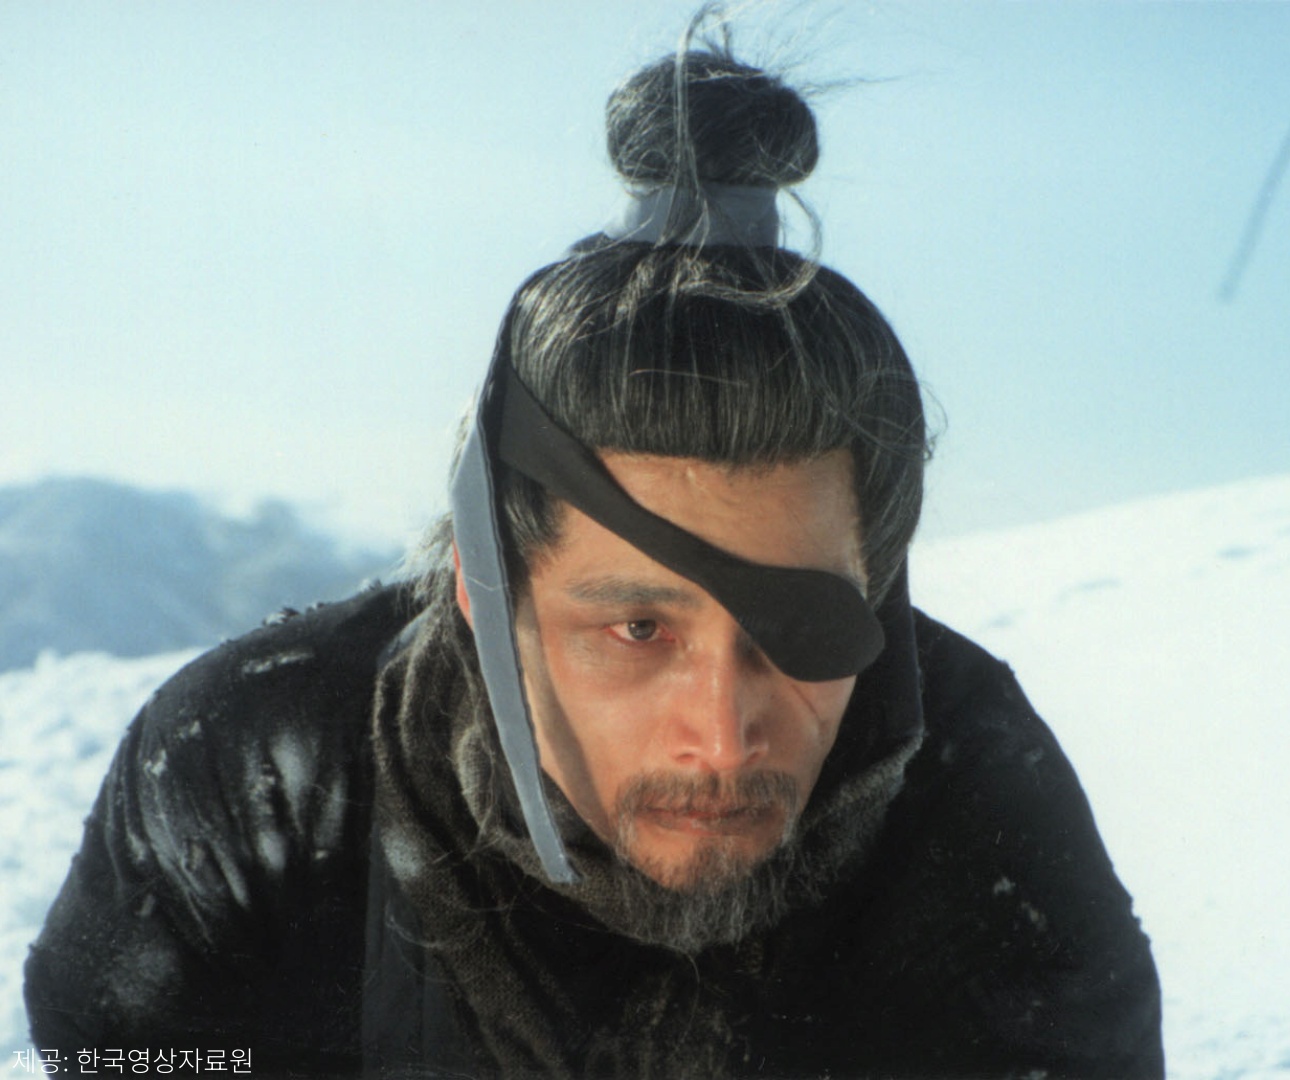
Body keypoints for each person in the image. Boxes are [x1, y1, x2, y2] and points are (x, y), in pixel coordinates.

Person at [25, 32, 1163, 1080]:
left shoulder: (972, 798)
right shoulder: (267, 775)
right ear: (485, 596)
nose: (723, 735)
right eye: (638, 628)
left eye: (804, 629)